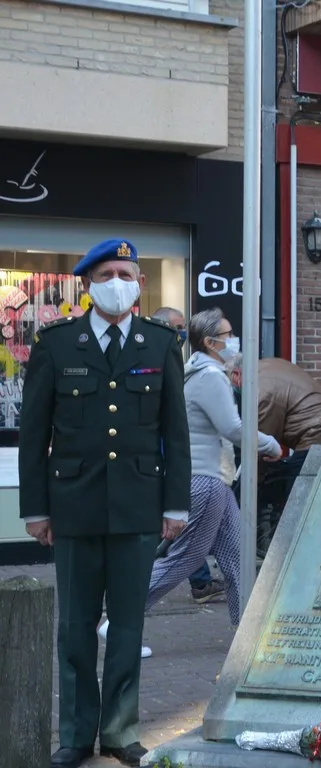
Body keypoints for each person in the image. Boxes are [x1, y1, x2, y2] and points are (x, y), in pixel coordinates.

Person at [19, 239, 191, 768]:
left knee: (126, 626)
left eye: (127, 273)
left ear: (140, 284)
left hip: (140, 505)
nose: (118, 281)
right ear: (89, 283)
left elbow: (175, 433)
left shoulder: (160, 343)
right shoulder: (57, 343)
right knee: (74, 627)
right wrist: (36, 508)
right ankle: (75, 734)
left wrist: (175, 506)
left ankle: (119, 731)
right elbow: (33, 433)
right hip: (73, 505)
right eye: (108, 273)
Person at [101, 308, 283, 656]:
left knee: (237, 556)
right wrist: (271, 443)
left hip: (213, 479)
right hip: (206, 480)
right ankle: (120, 622)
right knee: (186, 558)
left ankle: (250, 633)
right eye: (228, 335)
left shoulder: (201, 372)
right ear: (211, 342)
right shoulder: (210, 377)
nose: (234, 341)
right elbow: (232, 428)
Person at [151, 306, 225, 604]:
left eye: (184, 327)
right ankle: (131, 591)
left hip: (179, 458)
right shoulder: (152, 360)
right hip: (158, 458)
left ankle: (207, 583)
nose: (183, 334)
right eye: (178, 327)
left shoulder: (178, 362)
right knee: (177, 530)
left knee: (193, 528)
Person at [226, 354, 321, 487]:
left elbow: (259, 446)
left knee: (299, 490)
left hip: (320, 431)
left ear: (236, 375)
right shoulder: (270, 364)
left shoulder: (262, 393)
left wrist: (248, 487)